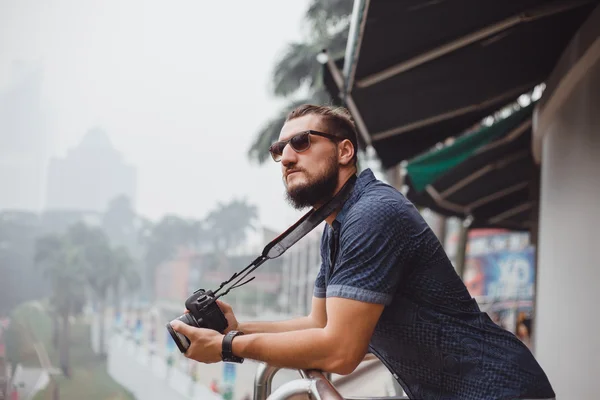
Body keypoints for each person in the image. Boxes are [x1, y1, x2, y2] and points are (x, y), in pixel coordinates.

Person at [171, 105, 555, 399]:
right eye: (279, 149)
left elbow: (339, 351)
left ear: (345, 151)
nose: (287, 157)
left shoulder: (373, 214)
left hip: (499, 389)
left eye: (301, 142)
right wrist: (237, 328)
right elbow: (319, 324)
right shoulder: (337, 225)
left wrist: (226, 347)